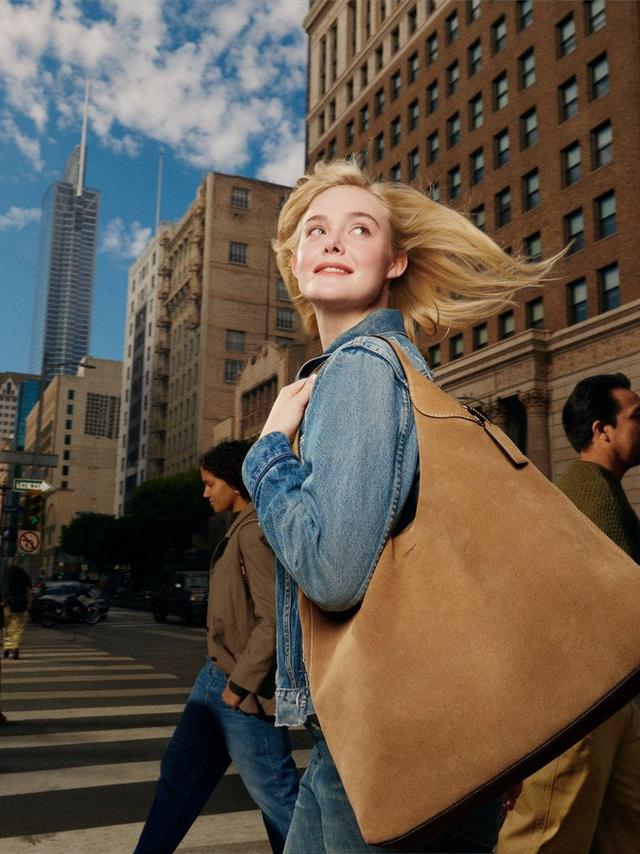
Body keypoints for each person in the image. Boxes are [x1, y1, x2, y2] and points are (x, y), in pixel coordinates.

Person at [241, 159, 558, 853]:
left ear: (394, 261)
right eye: (316, 231)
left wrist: (266, 453)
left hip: (388, 734)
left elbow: (331, 573)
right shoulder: (394, 370)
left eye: (359, 229)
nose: (332, 241)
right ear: (295, 265)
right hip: (389, 736)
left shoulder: (363, 366)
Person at [498, 373, 640, 854]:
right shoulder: (589, 492)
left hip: (610, 704)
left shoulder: (603, 489)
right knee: (543, 842)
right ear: (602, 430)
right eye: (636, 416)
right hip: (579, 709)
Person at [135, 440, 299, 854]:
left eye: (210, 484)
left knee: (279, 800)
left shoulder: (256, 531)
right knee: (179, 777)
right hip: (213, 679)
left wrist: (240, 684)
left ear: (235, 482)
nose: (205, 493)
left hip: (243, 691)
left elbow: (276, 618)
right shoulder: (241, 528)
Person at [2, 563, 32, 660]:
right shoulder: (24, 578)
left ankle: (7, 648)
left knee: (7, 628)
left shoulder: (5, 578)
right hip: (21, 605)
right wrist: (28, 604)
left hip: (7, 605)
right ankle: (15, 649)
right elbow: (29, 592)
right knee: (18, 629)